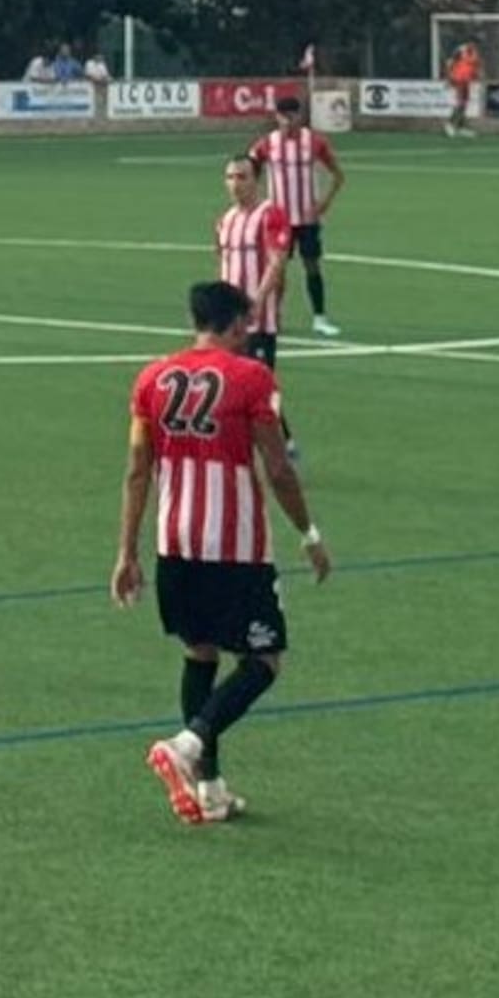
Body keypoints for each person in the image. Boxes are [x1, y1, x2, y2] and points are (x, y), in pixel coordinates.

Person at [111, 280, 331, 824]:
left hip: (174, 542)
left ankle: (209, 789)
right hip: (233, 547)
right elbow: (278, 468)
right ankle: (187, 747)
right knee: (263, 659)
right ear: (234, 324)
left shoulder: (151, 379)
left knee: (200, 652)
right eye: (247, 323)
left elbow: (138, 470)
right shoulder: (253, 378)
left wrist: (127, 552)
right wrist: (309, 533)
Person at [215, 154, 299, 455]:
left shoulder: (270, 215)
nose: (235, 184)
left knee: (261, 384)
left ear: (256, 180)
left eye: (242, 177)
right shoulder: (224, 220)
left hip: (258, 319)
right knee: (228, 382)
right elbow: (222, 264)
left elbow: (277, 263)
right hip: (227, 321)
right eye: (230, 177)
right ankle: (259, 444)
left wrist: (259, 301)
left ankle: (282, 444)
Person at [249, 95, 346, 337]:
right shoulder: (267, 144)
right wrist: (259, 204)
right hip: (279, 220)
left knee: (312, 265)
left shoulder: (313, 142)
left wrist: (323, 203)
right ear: (277, 117)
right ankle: (275, 317)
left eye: (292, 115)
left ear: (299, 116)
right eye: (283, 115)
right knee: (277, 270)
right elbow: (250, 171)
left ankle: (320, 318)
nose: (288, 120)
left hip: (307, 219)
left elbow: (338, 175)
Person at [444, 41, 481, 138]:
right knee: (460, 103)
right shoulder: (461, 50)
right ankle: (449, 124)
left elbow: (474, 68)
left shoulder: (474, 53)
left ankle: (461, 127)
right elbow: (450, 63)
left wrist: (475, 77)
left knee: (464, 105)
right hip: (458, 79)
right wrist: (449, 78)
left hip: (466, 81)